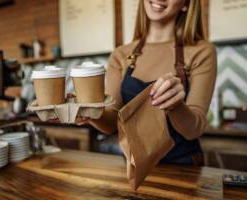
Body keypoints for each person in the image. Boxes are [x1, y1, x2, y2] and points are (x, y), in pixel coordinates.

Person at [77, 0, 217, 165]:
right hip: (134, 168)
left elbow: (194, 130)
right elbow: (112, 122)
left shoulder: (202, 51)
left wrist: (176, 105)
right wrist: (91, 112)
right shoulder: (120, 55)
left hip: (184, 167)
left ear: (186, 4)